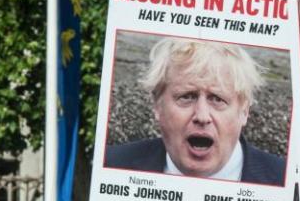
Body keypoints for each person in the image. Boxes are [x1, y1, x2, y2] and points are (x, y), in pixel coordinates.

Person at [105, 38, 284, 185]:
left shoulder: (287, 184)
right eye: (187, 97)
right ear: (157, 105)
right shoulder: (110, 166)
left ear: (244, 111)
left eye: (217, 99)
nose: (202, 116)